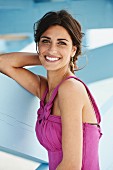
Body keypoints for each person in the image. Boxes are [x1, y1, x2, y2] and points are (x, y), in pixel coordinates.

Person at [0, 10, 102, 170]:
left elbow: (72, 165)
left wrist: (56, 57)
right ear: (38, 45)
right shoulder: (46, 90)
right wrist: (48, 57)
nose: (52, 48)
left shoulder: (71, 89)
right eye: (46, 41)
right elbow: (3, 63)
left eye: (62, 43)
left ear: (73, 49)